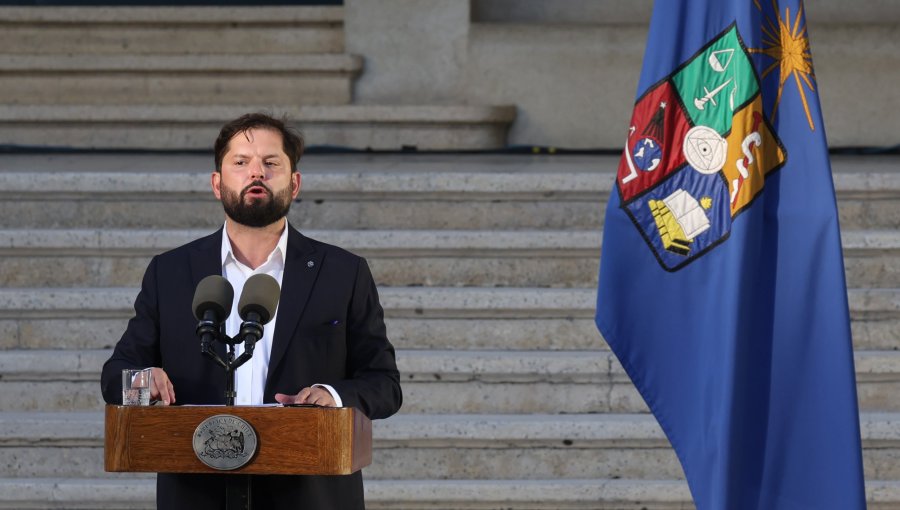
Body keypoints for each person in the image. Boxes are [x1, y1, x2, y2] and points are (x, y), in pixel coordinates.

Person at [100, 113, 402, 510]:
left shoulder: (343, 273)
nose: (256, 173)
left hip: (310, 494)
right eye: (240, 162)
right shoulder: (171, 272)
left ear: (294, 184)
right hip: (197, 493)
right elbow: (114, 375)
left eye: (270, 163)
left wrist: (332, 395)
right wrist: (142, 380)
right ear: (217, 183)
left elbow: (385, 384)